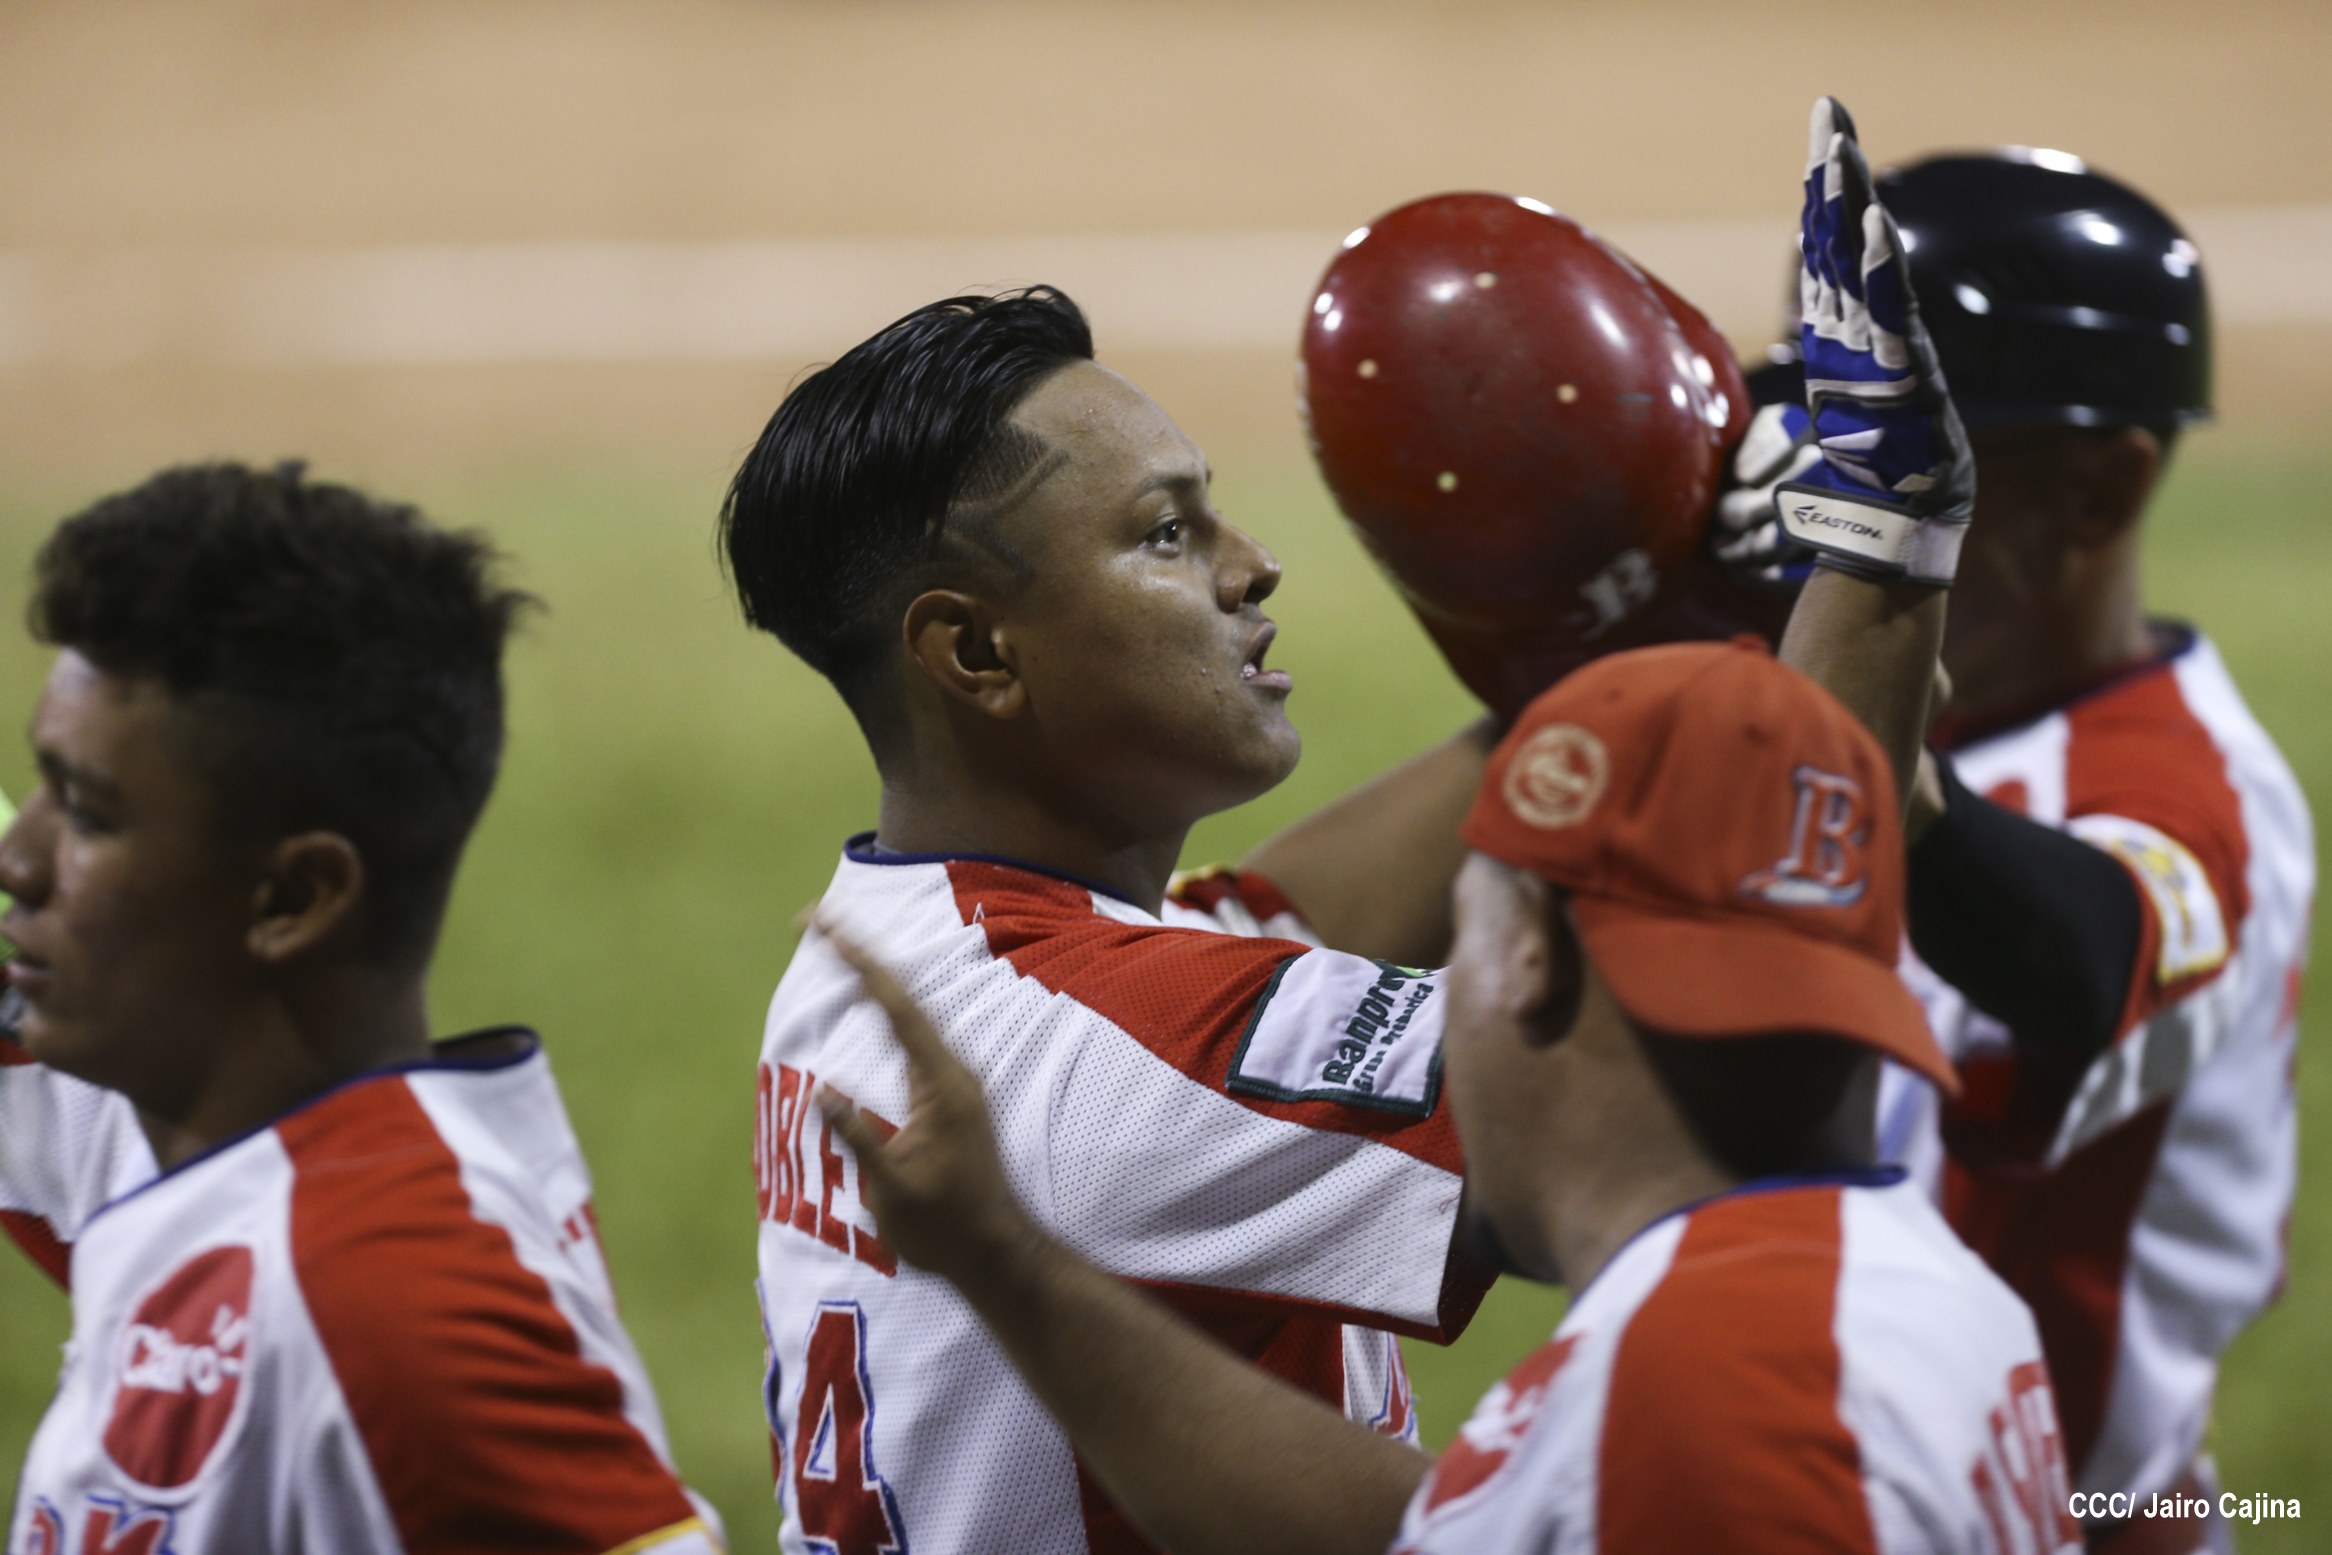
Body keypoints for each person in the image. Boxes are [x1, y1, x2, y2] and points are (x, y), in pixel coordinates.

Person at [815, 631, 2081, 1555]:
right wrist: (1013, 1269)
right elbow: (1437, 1533)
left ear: (1525, 958)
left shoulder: (1715, 1390)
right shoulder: (1917, 1292)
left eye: (1462, 923)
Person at [719, 280, 1519, 1548]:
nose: (1249, 564)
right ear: (976, 654)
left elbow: (1257, 928)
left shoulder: (903, 947)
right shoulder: (1101, 1052)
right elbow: (1644, 1102)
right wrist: (1842, 566)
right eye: (1165, 534)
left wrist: (1621, 649)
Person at [1729, 145, 2314, 1554]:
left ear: (2093, 496)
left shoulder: (2191, 786)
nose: (1830, 497)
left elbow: (2086, 958)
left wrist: (1880, 775)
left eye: (1903, 466)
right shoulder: (1873, 683)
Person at [0, 464, 721, 1555]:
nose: (21, 858)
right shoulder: (211, 1137)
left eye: (88, 814)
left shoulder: (390, 1300)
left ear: (293, 897)